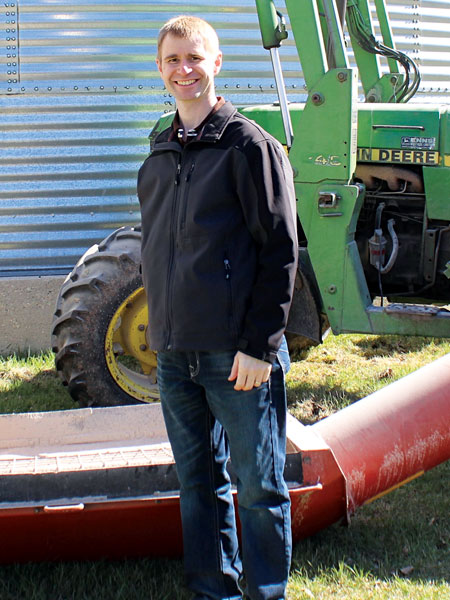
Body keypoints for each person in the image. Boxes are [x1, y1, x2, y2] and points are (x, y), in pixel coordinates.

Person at [138, 15, 298, 600]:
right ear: (160, 69)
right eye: (173, 60)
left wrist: (260, 346)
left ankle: (266, 593)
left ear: (217, 63)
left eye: (195, 58)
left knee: (258, 487)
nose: (184, 70)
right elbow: (159, 250)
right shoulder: (159, 150)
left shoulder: (249, 146)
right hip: (176, 353)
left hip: (237, 356)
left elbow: (280, 251)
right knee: (198, 485)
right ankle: (213, 591)